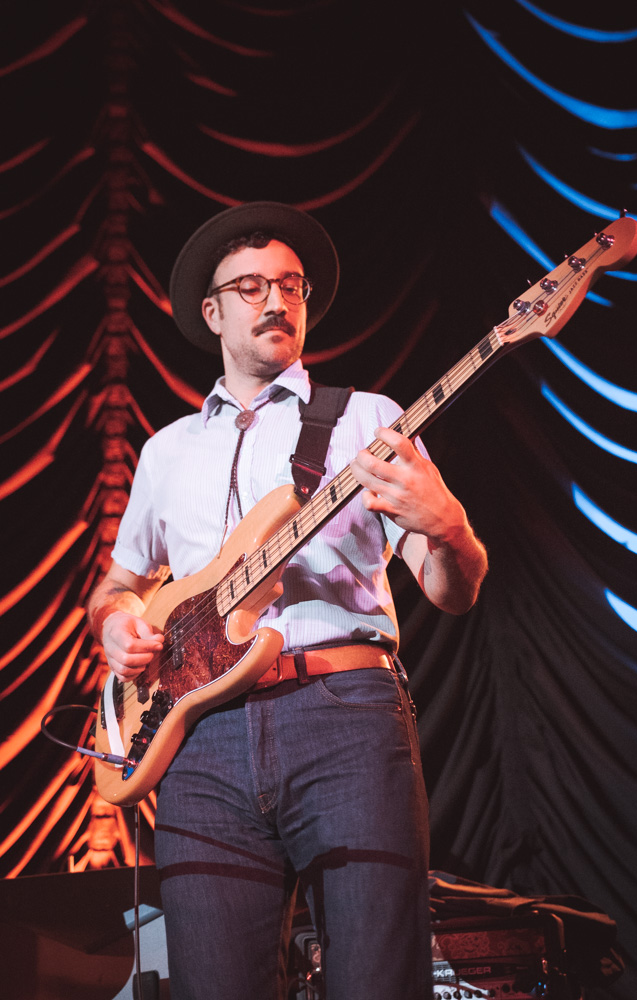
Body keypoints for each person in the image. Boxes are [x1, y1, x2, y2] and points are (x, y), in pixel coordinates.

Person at [87, 201, 488, 1000]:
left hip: (343, 716)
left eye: (290, 285)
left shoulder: (368, 420)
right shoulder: (166, 450)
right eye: (251, 287)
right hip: (198, 740)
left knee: (377, 978)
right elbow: (119, 585)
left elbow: (452, 590)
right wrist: (116, 626)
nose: (276, 301)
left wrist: (448, 527)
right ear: (212, 313)